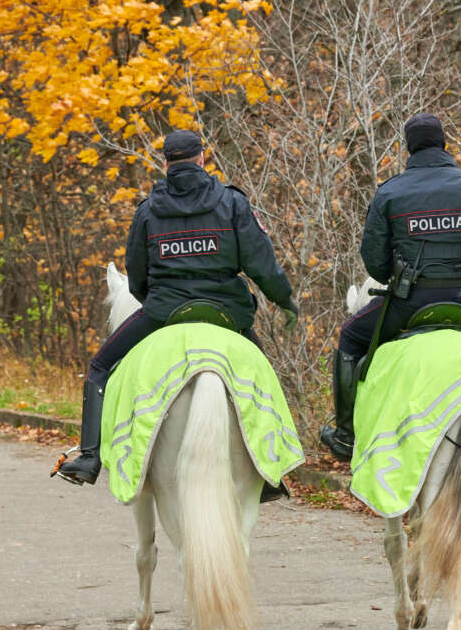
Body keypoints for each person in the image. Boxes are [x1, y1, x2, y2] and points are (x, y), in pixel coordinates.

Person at [57, 129, 298, 485]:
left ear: (166, 163)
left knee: (99, 366)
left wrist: (154, 299)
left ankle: (89, 458)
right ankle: (271, 473)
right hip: (227, 314)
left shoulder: (148, 211)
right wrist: (284, 299)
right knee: (262, 373)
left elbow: (136, 276)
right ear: (202, 158)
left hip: (164, 312)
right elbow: (261, 264)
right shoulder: (232, 203)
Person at [319, 113, 461, 461]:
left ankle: (346, 435)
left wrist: (396, 279)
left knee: (351, 335)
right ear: (444, 143)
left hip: (410, 302)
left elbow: (373, 260)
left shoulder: (390, 191)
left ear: (408, 148)